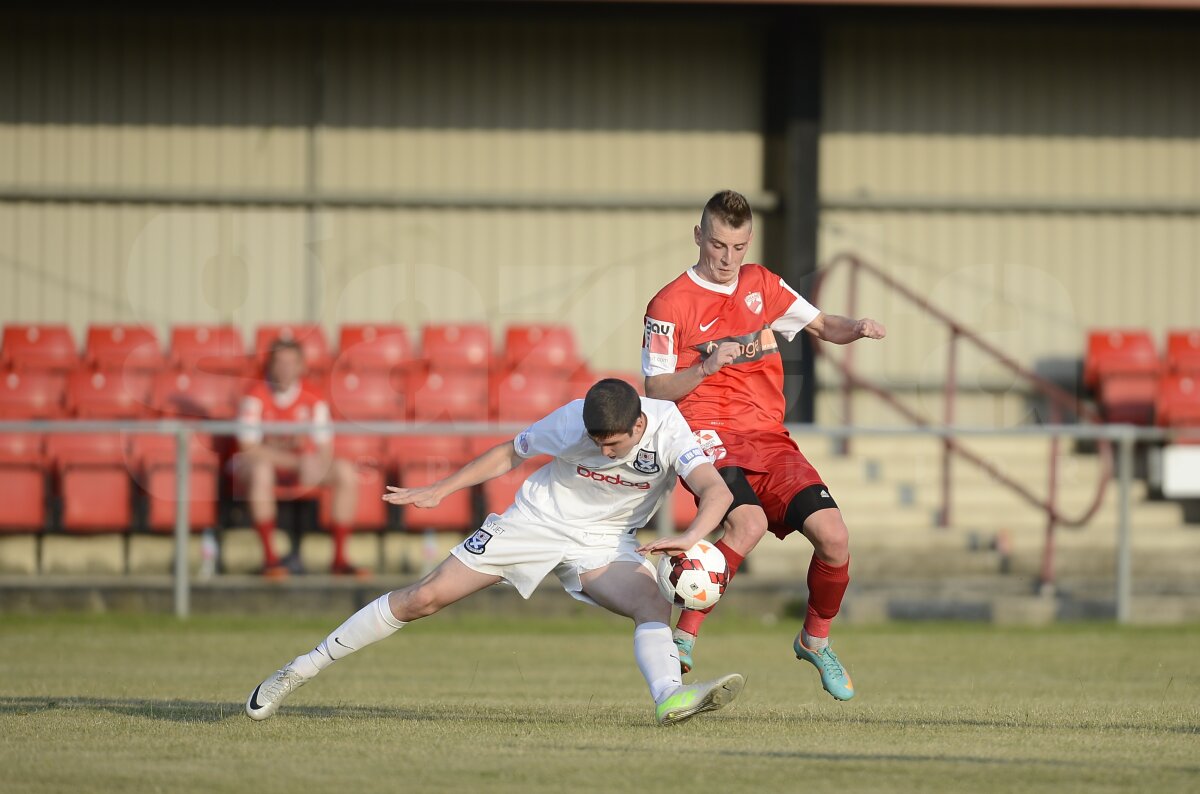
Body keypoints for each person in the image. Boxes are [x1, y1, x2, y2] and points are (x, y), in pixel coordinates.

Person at [244, 379, 746, 726]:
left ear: (639, 426)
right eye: (597, 444)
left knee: (651, 603)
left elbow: (716, 492)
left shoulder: (669, 425)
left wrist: (689, 537)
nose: (605, 453)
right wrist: (442, 487)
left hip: (604, 540)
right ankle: (300, 669)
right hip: (535, 521)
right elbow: (511, 452)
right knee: (425, 598)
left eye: (613, 445)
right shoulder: (572, 421)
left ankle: (669, 698)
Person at [639, 189, 886, 701]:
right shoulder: (668, 304)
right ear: (698, 237)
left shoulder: (763, 284)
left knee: (835, 538)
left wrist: (855, 328)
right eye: (718, 246)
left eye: (739, 247)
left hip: (769, 437)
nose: (728, 260)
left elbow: (822, 325)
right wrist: (706, 367)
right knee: (745, 521)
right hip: (706, 435)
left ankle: (814, 640)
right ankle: (685, 636)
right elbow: (655, 389)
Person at [233, 338, 363, 578]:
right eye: (280, 362)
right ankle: (270, 559)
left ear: (301, 366)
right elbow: (248, 447)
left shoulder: (314, 396)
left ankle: (340, 559)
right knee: (261, 470)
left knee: (345, 472)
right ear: (270, 366)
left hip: (301, 465)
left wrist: (317, 464)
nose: (285, 369)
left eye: (291, 363)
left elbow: (324, 445)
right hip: (264, 468)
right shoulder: (255, 396)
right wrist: (296, 462)